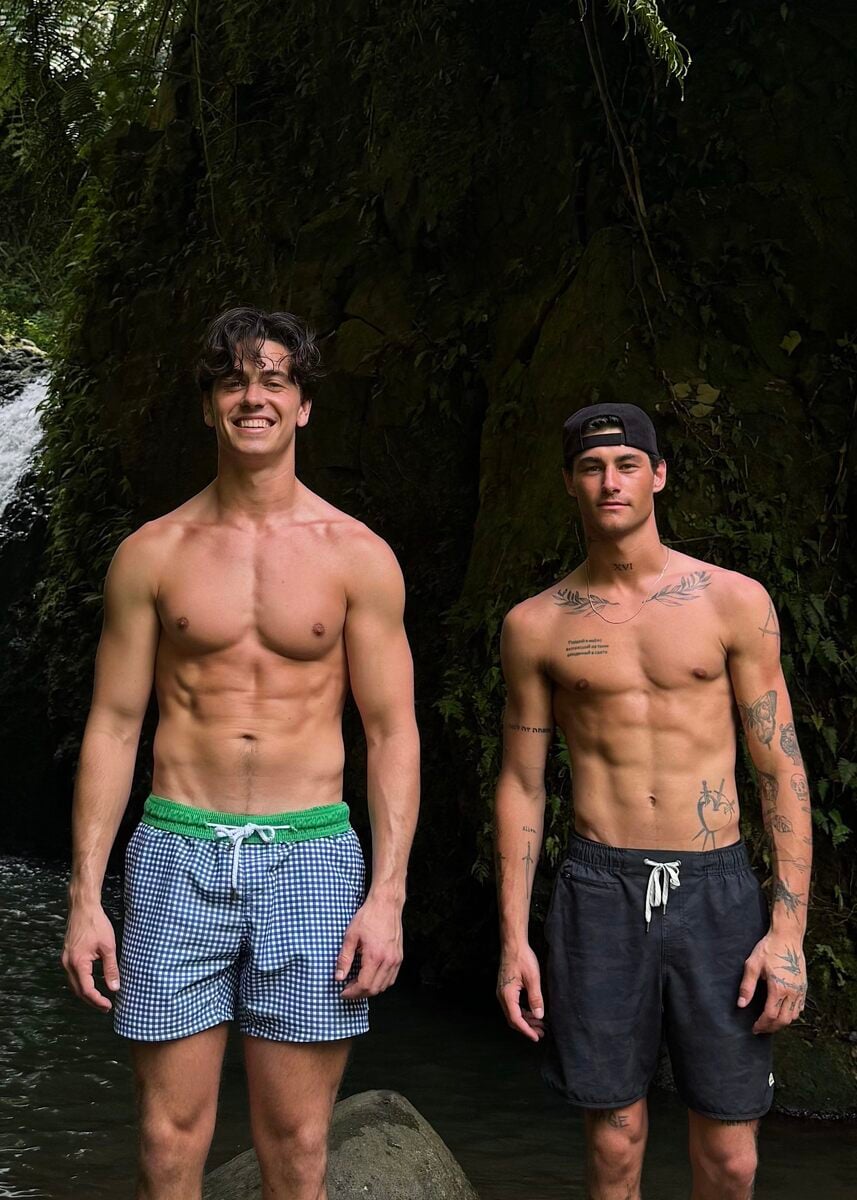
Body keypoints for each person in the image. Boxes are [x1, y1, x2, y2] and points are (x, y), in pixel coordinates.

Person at [62, 306, 420, 1200]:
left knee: (297, 1147)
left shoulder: (358, 557)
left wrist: (387, 896)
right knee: (166, 1142)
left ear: (303, 405)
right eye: (231, 381)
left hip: (312, 857)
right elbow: (114, 725)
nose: (252, 397)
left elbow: (390, 732)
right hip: (176, 850)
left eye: (273, 380)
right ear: (207, 404)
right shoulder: (151, 555)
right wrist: (84, 897)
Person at [494, 402, 811, 1200]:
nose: (610, 481)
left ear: (658, 475)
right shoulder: (535, 625)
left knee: (731, 1158)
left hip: (716, 890)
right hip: (599, 891)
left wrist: (787, 931)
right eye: (591, 467)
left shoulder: (731, 601)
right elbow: (522, 784)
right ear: (569, 483)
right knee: (614, 1144)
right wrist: (512, 939)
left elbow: (779, 769)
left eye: (626, 464)